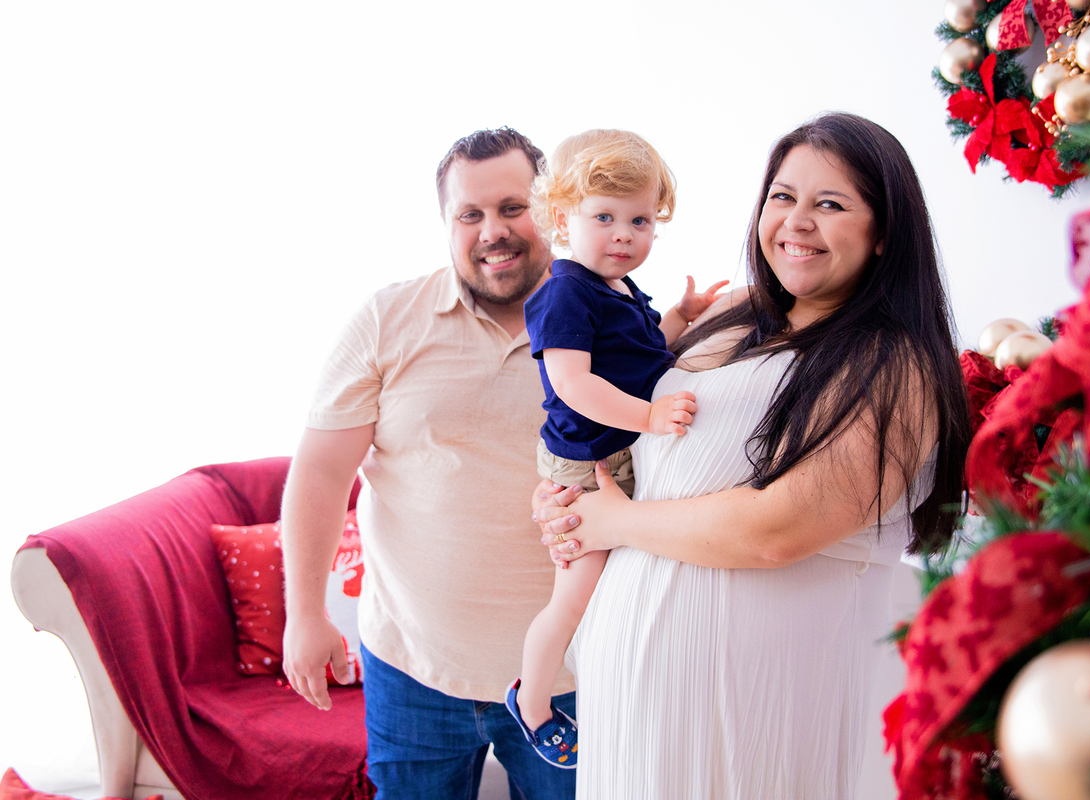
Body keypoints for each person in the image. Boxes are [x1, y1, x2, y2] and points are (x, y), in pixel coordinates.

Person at [534, 113, 972, 799]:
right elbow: (617, 431)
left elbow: (780, 530)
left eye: (830, 204)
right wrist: (563, 499)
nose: (796, 222)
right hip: (632, 704)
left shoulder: (893, 364)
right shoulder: (728, 314)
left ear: (884, 232)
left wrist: (615, 523)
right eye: (782, 196)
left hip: (752, 718)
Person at [280, 128, 578, 800]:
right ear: (447, 224)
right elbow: (323, 474)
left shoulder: (613, 322)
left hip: (571, 676)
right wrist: (304, 613)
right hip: (413, 668)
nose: (492, 231)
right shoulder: (388, 320)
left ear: (554, 209)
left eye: (512, 206)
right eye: (469, 215)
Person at [505, 129, 727, 768]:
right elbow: (575, 385)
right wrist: (651, 417)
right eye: (604, 217)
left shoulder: (619, 289)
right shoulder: (565, 290)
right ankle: (534, 703)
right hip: (586, 461)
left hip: (617, 449)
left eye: (640, 220)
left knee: (610, 585)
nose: (624, 234)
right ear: (562, 218)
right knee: (574, 594)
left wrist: (680, 318)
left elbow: (636, 353)